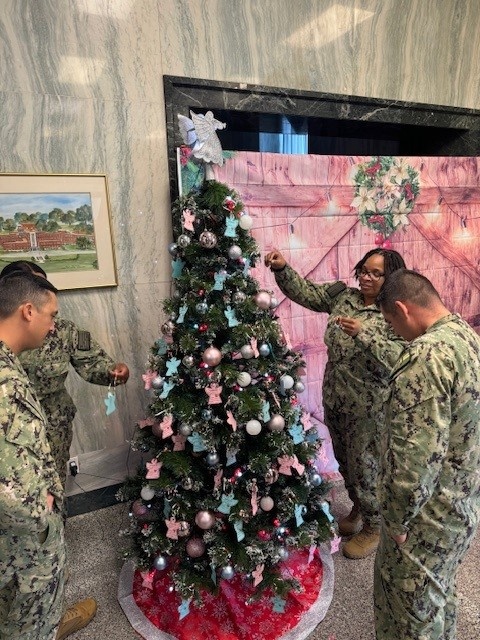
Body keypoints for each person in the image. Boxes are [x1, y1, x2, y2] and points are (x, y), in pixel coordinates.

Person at [265, 247, 406, 559]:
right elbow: (306, 293)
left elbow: (401, 359)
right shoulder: (345, 297)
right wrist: (283, 269)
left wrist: (365, 334)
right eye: (364, 270)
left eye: (376, 273)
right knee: (345, 461)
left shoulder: (397, 311)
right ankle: (358, 505)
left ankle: (374, 524)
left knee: (366, 467)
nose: (366, 277)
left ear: (390, 277)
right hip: (337, 399)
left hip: (370, 409)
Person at [374, 269, 480, 639]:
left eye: (390, 322)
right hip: (461, 504)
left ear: (402, 309)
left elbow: (414, 463)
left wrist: (398, 522)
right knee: (439, 594)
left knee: (411, 616)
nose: (392, 333)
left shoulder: (424, 357)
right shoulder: (465, 335)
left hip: (427, 519)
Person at [0, 272, 96, 639]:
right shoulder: (5, 385)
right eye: (51, 315)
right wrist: (47, 518)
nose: (54, 324)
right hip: (23, 551)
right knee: (27, 622)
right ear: (27, 311)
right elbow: (15, 496)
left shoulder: (8, 362)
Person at [0, 260, 130, 488]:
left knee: (54, 485)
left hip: (54, 423)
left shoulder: (62, 330)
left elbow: (93, 362)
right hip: (11, 433)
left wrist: (114, 373)